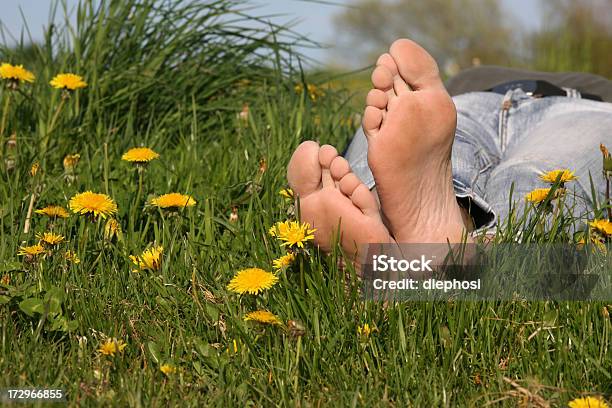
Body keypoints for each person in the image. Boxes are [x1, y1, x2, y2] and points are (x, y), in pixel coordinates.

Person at [286, 39, 612, 265]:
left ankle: (418, 250)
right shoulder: (456, 85)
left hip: (581, 106)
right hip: (464, 100)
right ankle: (453, 239)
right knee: (429, 144)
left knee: (534, 176)